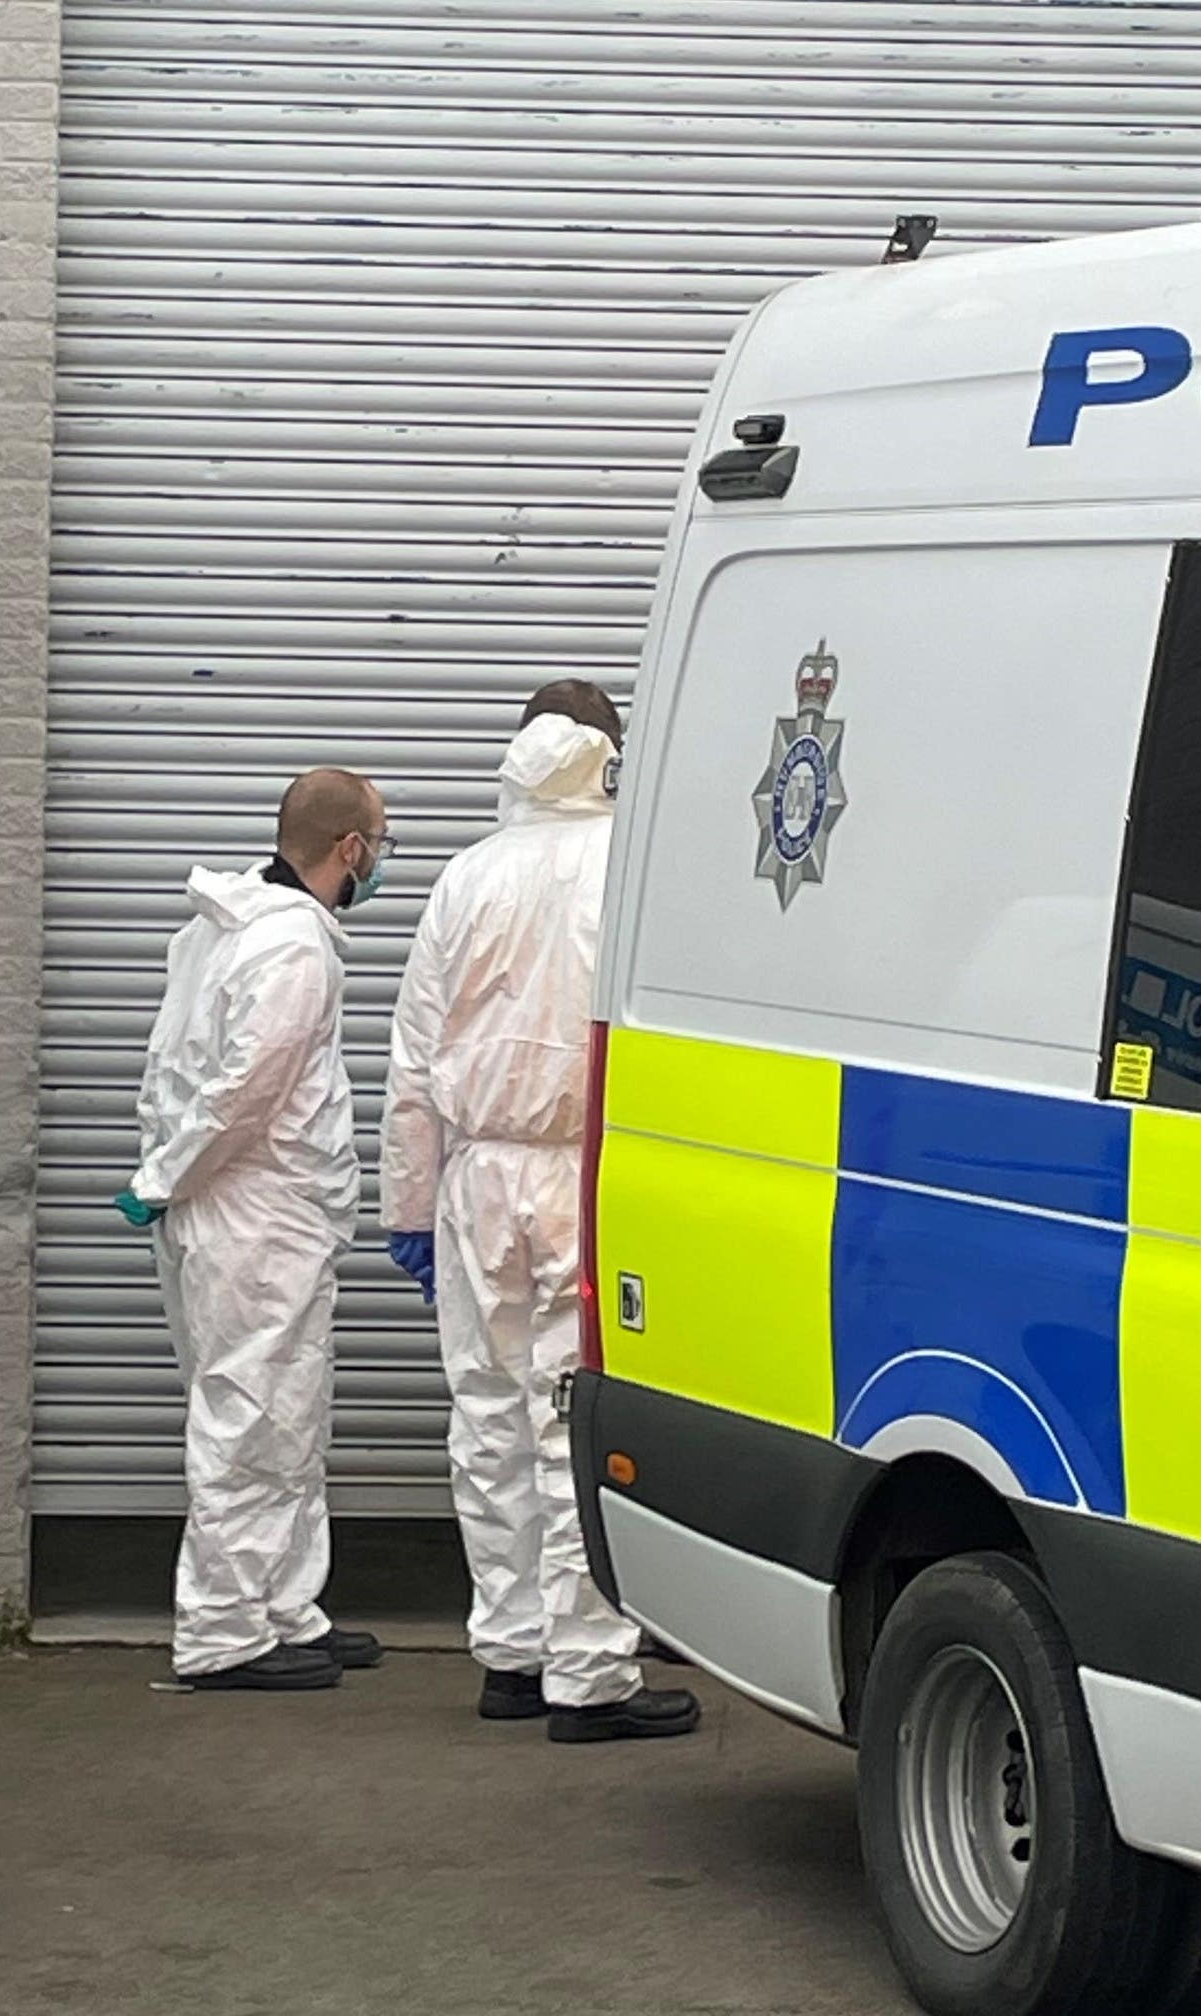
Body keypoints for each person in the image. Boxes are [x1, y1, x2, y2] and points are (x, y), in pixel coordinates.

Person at [380, 680, 700, 1743]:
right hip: (582, 1175)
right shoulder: (629, 866)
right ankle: (590, 1671)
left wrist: (411, 1206)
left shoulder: (465, 877)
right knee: (576, 1416)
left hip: (477, 1178)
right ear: (610, 754)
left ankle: (510, 1650)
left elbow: (414, 1061)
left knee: (485, 1415)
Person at [119, 768, 395, 1692]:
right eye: (380, 843)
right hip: (257, 1215)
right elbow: (244, 1091)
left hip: (243, 1211)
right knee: (249, 1418)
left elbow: (173, 1067)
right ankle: (225, 1630)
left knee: (284, 1418)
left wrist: (165, 1176)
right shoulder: (291, 950)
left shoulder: (222, 930)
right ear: (348, 849)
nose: (382, 861)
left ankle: (283, 1608)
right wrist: (165, 1176)